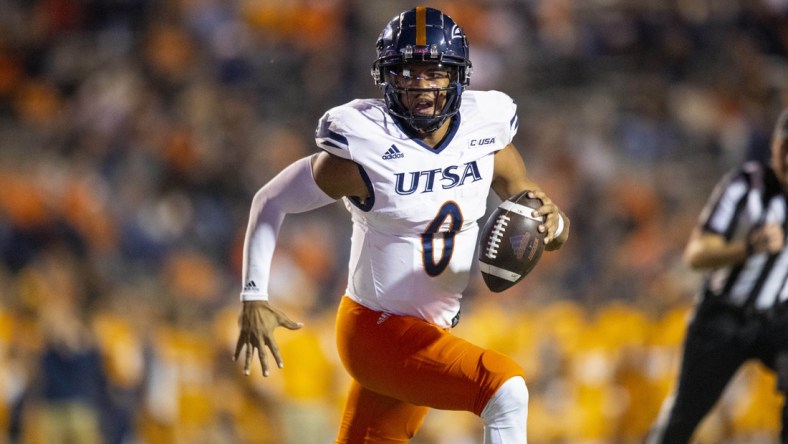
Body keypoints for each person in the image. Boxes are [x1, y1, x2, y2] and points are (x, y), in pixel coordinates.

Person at [233, 6, 569, 443]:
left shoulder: (487, 136)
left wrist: (555, 225)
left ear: (457, 76)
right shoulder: (364, 147)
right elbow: (271, 199)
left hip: (430, 330)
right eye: (407, 73)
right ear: (387, 78)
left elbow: (542, 215)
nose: (420, 86)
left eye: (433, 73)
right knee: (504, 389)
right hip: (375, 330)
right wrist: (253, 294)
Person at [647, 108, 788, 443]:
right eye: (785, 146)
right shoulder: (745, 185)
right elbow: (697, 254)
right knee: (683, 418)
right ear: (773, 145)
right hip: (723, 317)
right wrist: (747, 248)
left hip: (779, 320)